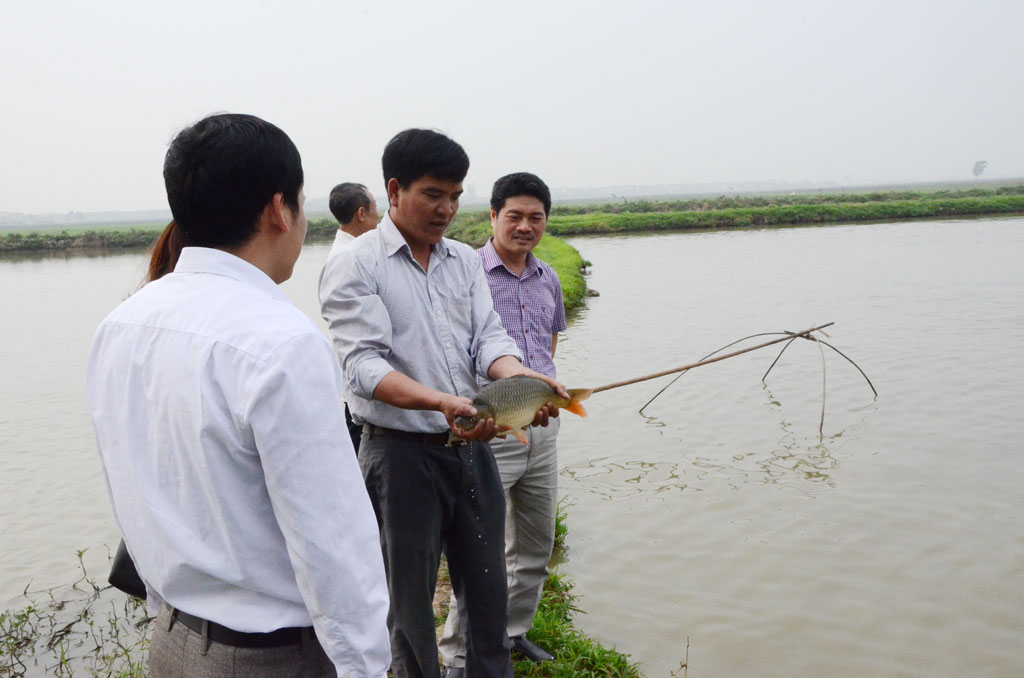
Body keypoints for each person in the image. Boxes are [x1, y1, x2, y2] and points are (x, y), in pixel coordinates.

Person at [87, 113, 391, 678]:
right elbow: (332, 542)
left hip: (173, 640)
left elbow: (127, 488)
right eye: (301, 203)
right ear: (280, 209)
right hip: (271, 657)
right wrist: (366, 666)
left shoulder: (121, 324)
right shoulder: (283, 342)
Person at [319, 129, 567, 678]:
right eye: (433, 194)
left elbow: (489, 339)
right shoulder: (357, 264)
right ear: (394, 190)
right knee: (408, 606)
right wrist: (441, 403)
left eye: (454, 196)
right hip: (400, 455)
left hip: (472, 449)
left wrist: (519, 376)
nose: (447, 209)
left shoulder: (461, 261)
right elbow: (363, 367)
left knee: (488, 591)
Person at [439, 173, 566, 671]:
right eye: (514, 216)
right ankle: (457, 653)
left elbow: (549, 348)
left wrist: (540, 399)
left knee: (535, 541)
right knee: (477, 548)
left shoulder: (549, 277)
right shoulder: (466, 274)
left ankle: (513, 632)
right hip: (489, 428)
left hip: (541, 426)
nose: (525, 226)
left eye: (536, 217)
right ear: (493, 216)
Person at [319, 182, 381, 452]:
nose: (380, 217)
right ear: (361, 214)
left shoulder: (351, 252)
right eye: (376, 209)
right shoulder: (348, 259)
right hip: (363, 395)